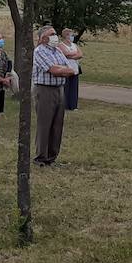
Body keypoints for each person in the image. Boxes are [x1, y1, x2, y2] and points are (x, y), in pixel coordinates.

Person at [33, 24, 76, 166]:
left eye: (54, 33)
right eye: (51, 34)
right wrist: (61, 69)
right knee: (45, 124)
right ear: (43, 38)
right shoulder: (39, 51)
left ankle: (52, 157)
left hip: (59, 89)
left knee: (57, 124)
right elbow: (53, 70)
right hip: (45, 90)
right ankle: (41, 157)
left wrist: (62, 69)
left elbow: (70, 69)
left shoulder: (57, 51)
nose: (54, 37)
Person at [59, 29, 84, 111]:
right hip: (66, 69)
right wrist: (74, 54)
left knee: (74, 88)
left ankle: (73, 105)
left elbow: (80, 54)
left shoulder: (74, 45)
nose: (73, 37)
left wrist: (72, 56)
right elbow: (65, 54)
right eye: (71, 35)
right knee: (66, 88)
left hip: (75, 69)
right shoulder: (61, 45)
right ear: (66, 35)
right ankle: (65, 105)